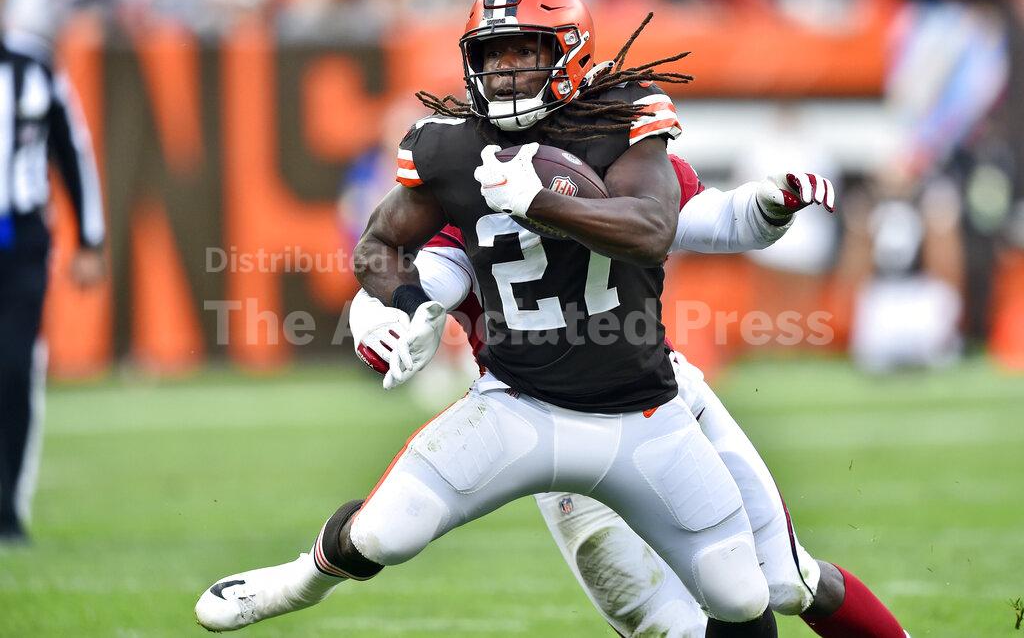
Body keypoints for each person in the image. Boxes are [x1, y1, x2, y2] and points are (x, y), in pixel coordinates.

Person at [196, 0, 812, 636]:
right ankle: (297, 582)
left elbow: (654, 230)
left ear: (570, 52)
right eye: (493, 54)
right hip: (519, 403)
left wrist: (542, 201)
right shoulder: (456, 148)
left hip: (641, 409)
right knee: (386, 532)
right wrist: (405, 306)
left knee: (739, 594)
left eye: (525, 50)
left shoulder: (622, 127)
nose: (507, 70)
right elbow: (381, 244)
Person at [350, 156, 906, 638]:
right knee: (667, 629)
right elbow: (421, 279)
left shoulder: (629, 153)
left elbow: (716, 219)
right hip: (551, 429)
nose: (510, 84)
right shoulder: (467, 177)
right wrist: (384, 317)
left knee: (787, 579)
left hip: (658, 404)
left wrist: (767, 205)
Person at [0, 23, 106, 542]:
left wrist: (89, 239)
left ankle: (6, 508)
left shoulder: (35, 67)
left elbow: (73, 151)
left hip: (21, 240)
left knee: (15, 368)